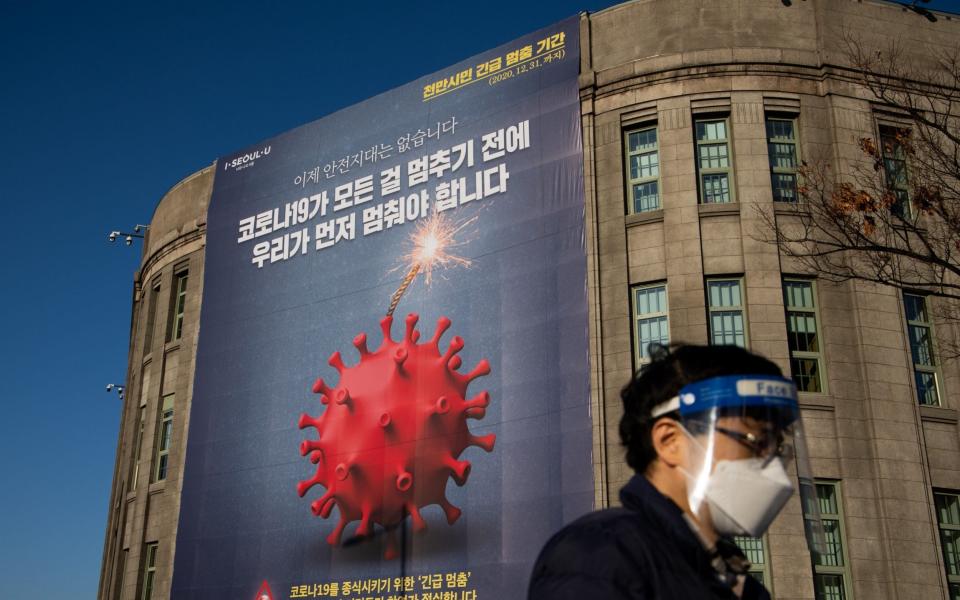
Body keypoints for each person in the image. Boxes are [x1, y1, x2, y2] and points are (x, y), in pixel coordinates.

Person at [528, 344, 821, 600]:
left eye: (777, 447)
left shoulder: (741, 586)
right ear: (670, 441)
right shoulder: (598, 556)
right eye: (757, 441)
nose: (772, 466)